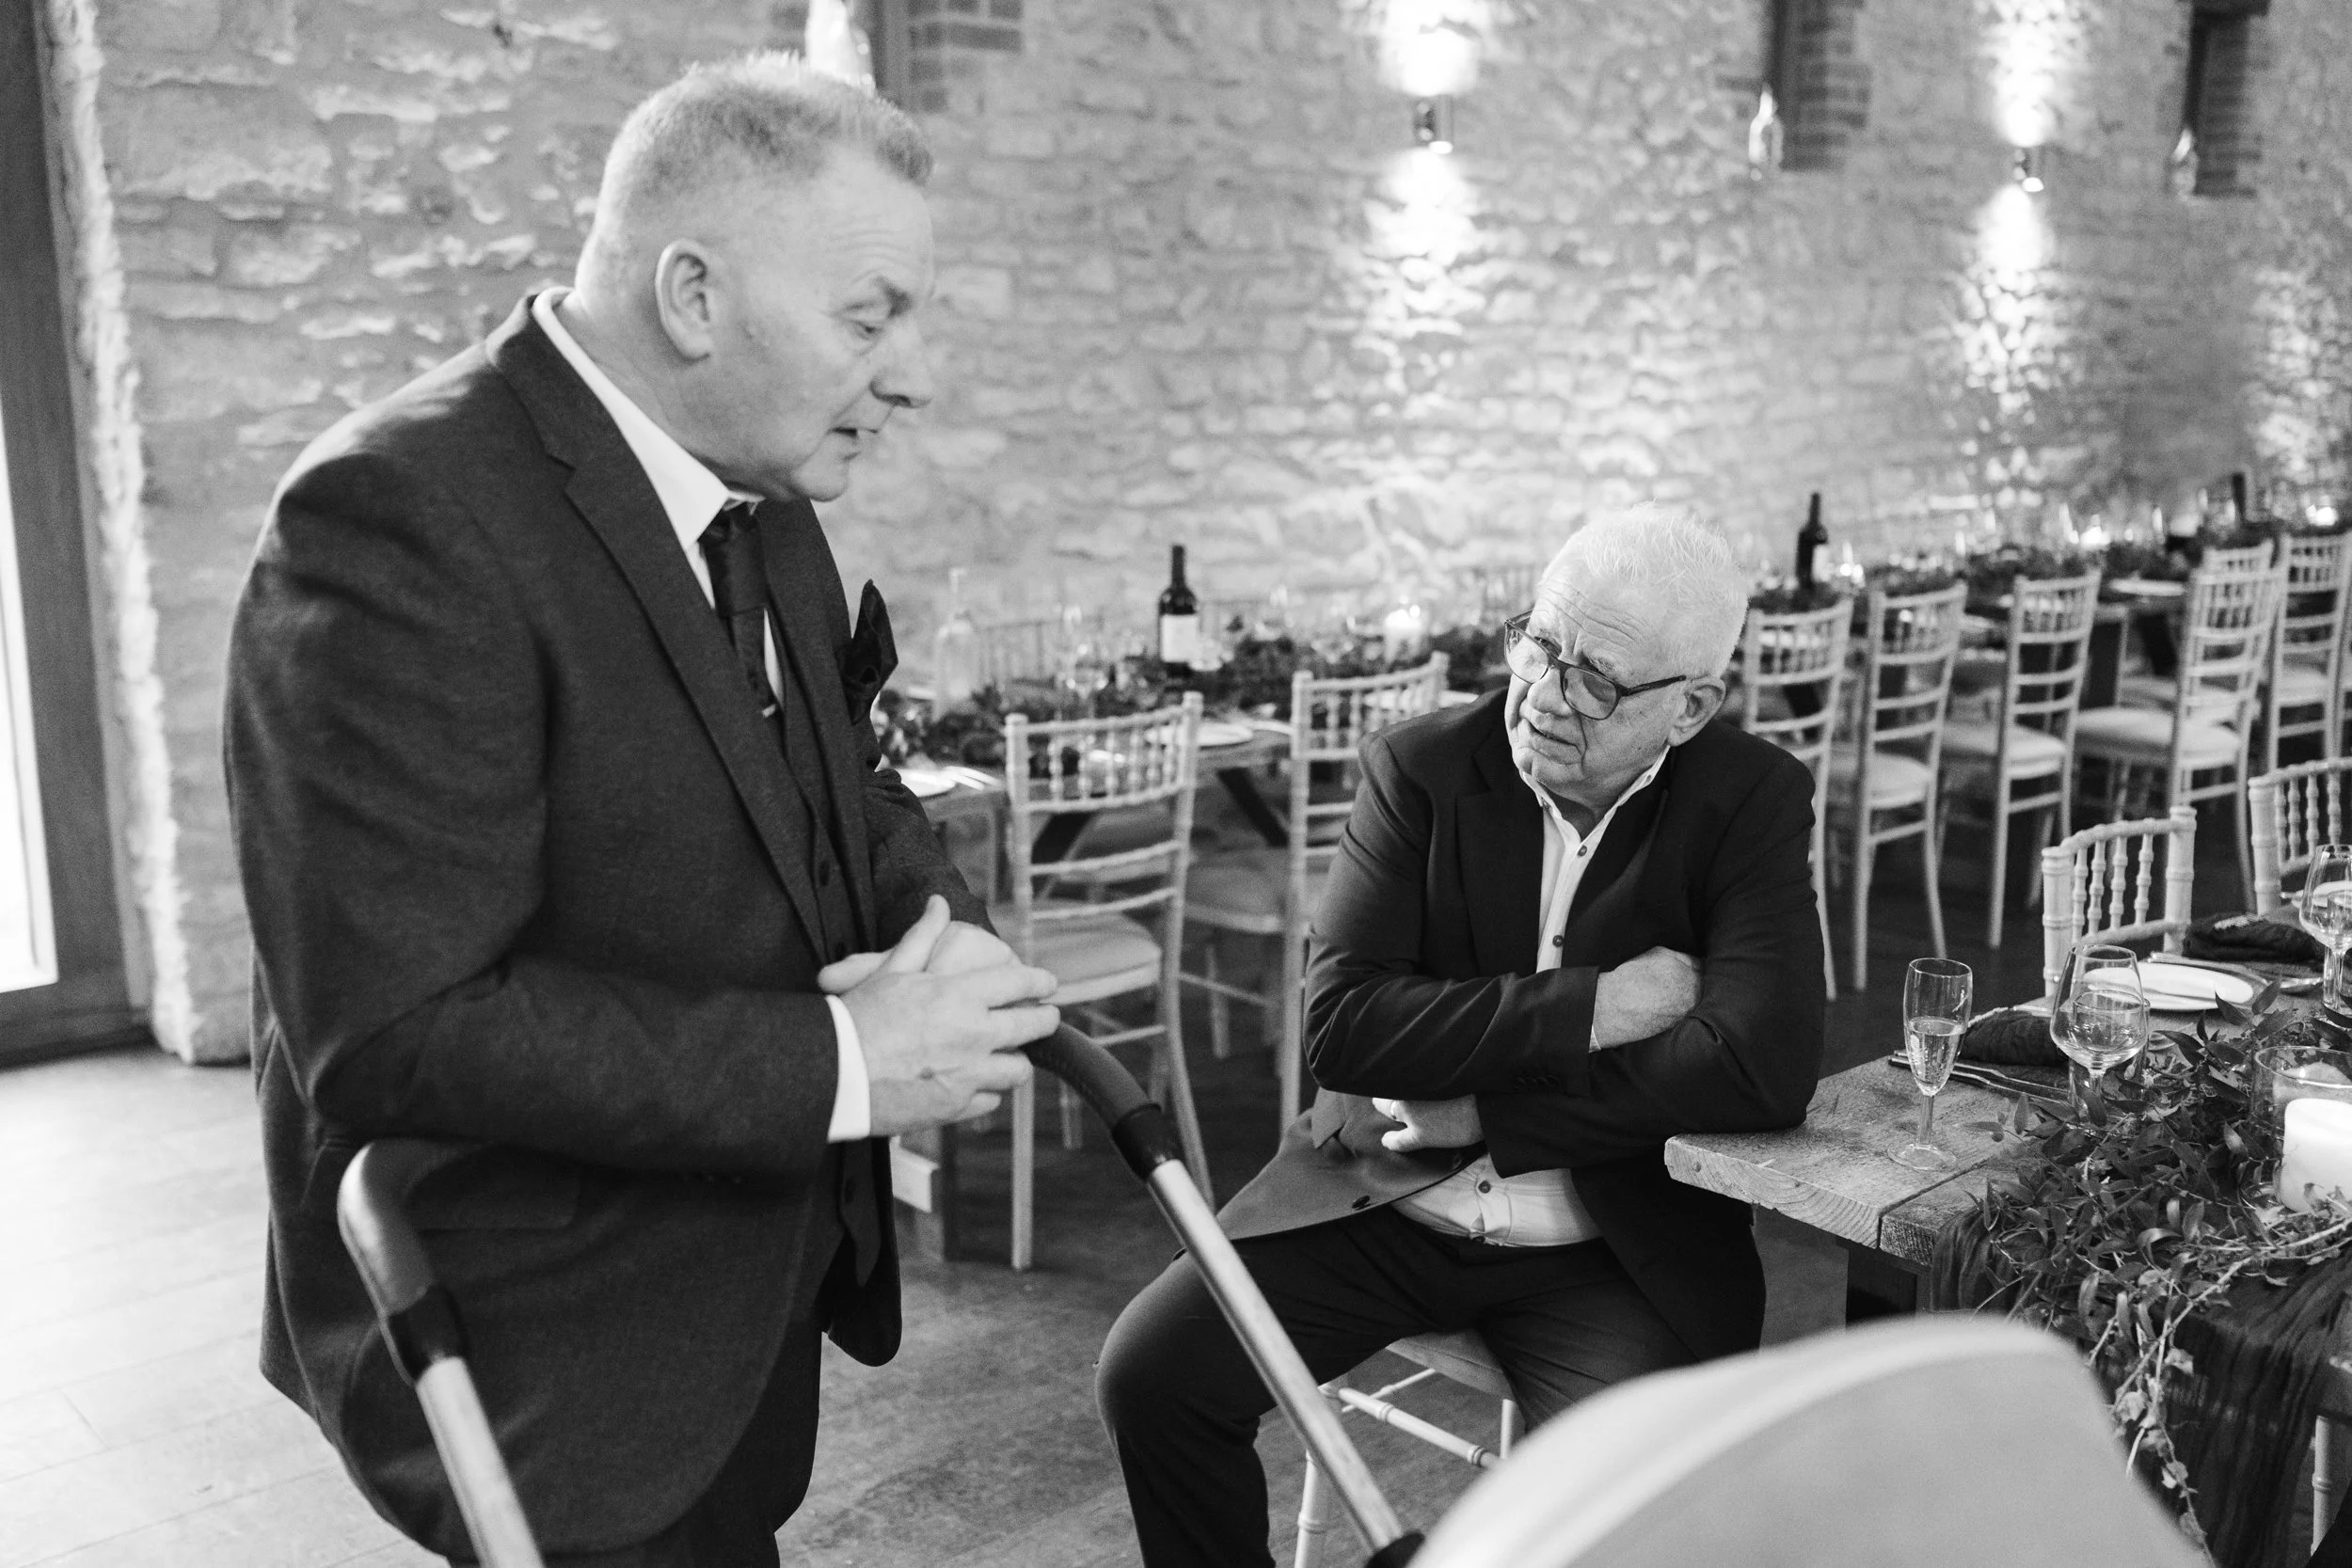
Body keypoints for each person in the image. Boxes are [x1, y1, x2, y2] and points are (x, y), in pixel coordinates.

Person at [224, 55, 1059, 1568]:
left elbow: (841, 783)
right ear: (692, 296)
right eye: (872, 317)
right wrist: (846, 1058)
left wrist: (952, 957)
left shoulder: (767, 495)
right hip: (550, 1331)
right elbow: (395, 1028)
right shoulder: (396, 520)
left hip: (748, 1281)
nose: (914, 371)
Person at [1096, 506, 1828, 1568]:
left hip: (1607, 1247)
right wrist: (1599, 1005)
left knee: (1622, 1512)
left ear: (1691, 706)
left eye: (1599, 679)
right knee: (1150, 1378)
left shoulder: (1747, 797)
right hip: (1382, 1197)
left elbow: (1761, 1063)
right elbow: (1345, 1030)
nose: (1545, 692)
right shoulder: (1425, 767)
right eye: (1541, 642)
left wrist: (1494, 1109)